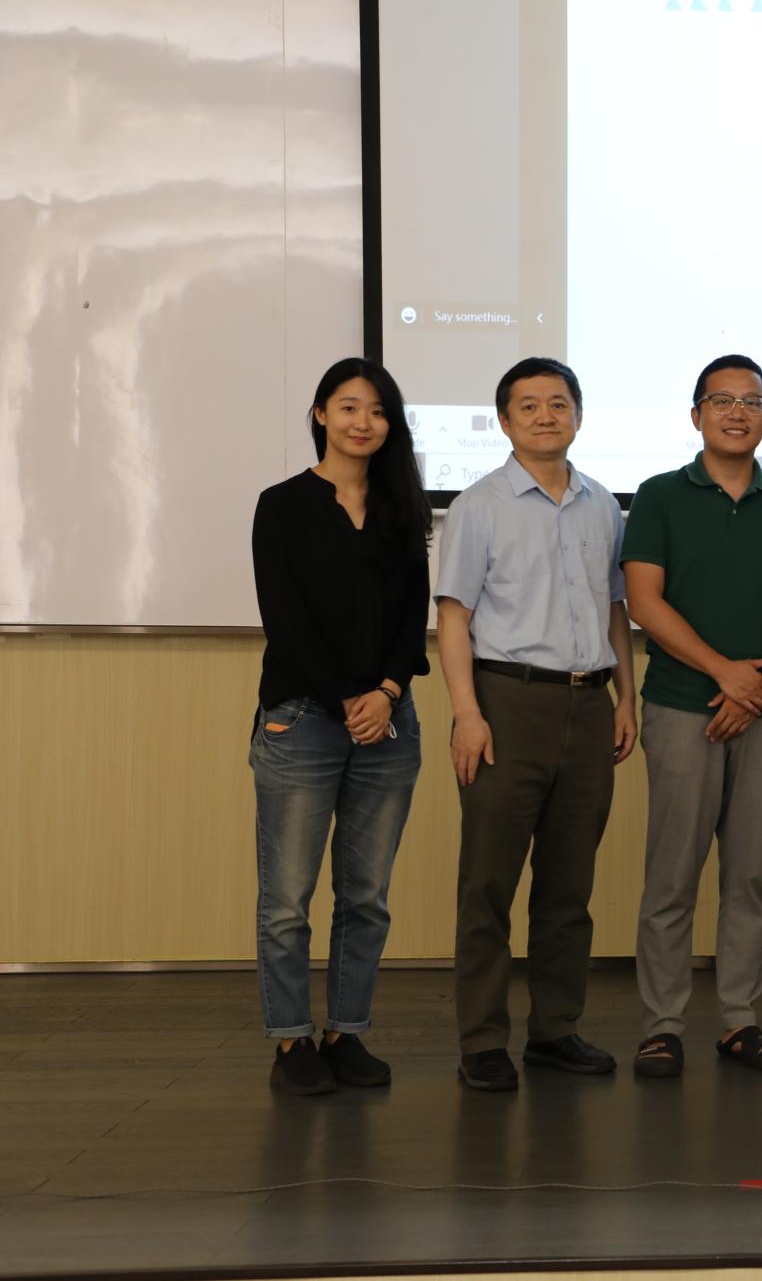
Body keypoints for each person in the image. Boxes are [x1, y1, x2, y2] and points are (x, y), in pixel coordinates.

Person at [436, 356, 638, 1093]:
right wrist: (467, 714)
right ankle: (483, 1040)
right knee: (488, 885)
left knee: (568, 886)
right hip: (506, 705)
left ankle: (555, 1030)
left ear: (578, 415)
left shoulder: (602, 505)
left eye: (559, 403)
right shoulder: (479, 505)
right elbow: (453, 616)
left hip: (588, 705)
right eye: (529, 405)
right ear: (504, 421)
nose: (546, 415)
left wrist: (626, 698)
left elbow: (614, 609)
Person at [624, 354, 762, 1076]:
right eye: (722, 400)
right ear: (696, 414)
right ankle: (662, 1025)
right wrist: (725, 673)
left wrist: (760, 683)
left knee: (749, 876)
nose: (738, 412)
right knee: (672, 875)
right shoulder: (659, 495)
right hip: (682, 706)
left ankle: (740, 1019)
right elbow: (644, 602)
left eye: (752, 401)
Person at [249, 357, 431, 1095]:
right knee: (287, 900)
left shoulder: (401, 506)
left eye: (378, 410)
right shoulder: (282, 505)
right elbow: (285, 620)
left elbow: (411, 616)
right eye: (350, 407)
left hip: (388, 722)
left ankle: (345, 1031)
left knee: (365, 897)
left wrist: (386, 691)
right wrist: (347, 699)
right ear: (321, 414)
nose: (364, 421)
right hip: (302, 720)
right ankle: (292, 1040)